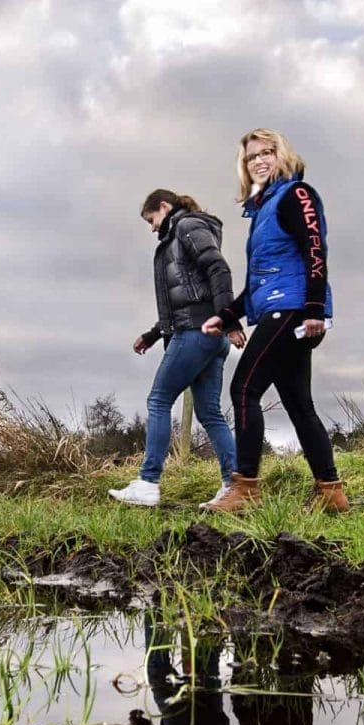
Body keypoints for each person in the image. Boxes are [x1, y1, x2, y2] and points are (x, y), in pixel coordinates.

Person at [201, 129, 348, 513]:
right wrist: (227, 315)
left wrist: (315, 307)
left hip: (296, 309)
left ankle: (245, 487)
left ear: (282, 155)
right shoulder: (262, 210)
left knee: (243, 389)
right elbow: (260, 283)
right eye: (252, 157)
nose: (260, 161)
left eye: (267, 152)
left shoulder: (296, 195)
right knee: (299, 404)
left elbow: (315, 248)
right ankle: (331, 492)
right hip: (279, 307)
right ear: (244, 166)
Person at [108, 189, 239, 508]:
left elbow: (218, 269)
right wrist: (153, 335)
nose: (152, 228)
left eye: (151, 219)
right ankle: (235, 485)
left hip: (196, 332)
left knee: (159, 399)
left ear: (164, 207)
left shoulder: (187, 227)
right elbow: (187, 294)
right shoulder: (181, 234)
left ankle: (148, 482)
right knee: (210, 413)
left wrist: (230, 318)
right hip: (208, 334)